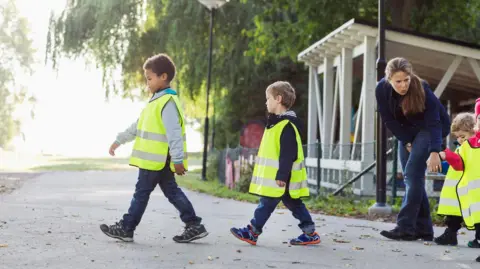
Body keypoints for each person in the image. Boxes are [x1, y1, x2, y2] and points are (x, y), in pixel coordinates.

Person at [99, 53, 208, 243]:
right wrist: (119, 140)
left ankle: (127, 227)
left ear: (163, 77)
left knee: (141, 193)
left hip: (157, 160)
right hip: (155, 161)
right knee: (172, 192)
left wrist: (177, 159)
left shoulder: (167, 103)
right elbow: (137, 126)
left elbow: (174, 133)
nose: (146, 83)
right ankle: (194, 224)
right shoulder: (155, 102)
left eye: (149, 78)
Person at [230, 81, 320, 246]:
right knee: (293, 203)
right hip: (280, 177)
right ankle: (310, 232)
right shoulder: (276, 124)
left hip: (282, 177)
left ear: (278, 99)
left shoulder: (286, 126)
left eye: (268, 98)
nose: (266, 102)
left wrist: (282, 175)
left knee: (266, 203)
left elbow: (288, 153)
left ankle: (253, 231)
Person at [375, 57, 451, 241]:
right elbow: (389, 120)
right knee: (413, 178)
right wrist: (407, 140)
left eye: (406, 80)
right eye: (398, 81)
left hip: (432, 129)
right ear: (389, 80)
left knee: (411, 174)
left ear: (411, 76)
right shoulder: (381, 89)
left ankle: (405, 227)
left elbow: (434, 122)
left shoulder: (421, 88)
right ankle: (424, 230)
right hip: (408, 132)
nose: (403, 85)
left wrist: (434, 151)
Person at [440, 99, 480, 262]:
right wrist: (445, 156)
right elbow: (457, 165)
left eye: (462, 136)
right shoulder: (467, 146)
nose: (460, 140)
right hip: (469, 195)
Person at [435, 113, 475, 246]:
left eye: (463, 136)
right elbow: (453, 166)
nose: (459, 140)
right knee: (453, 216)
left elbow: (461, 164)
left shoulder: (473, 149)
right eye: (457, 137)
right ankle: (450, 234)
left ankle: (477, 238)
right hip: (459, 190)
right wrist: (440, 166)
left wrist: (447, 156)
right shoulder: (461, 147)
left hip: (470, 190)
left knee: (475, 216)